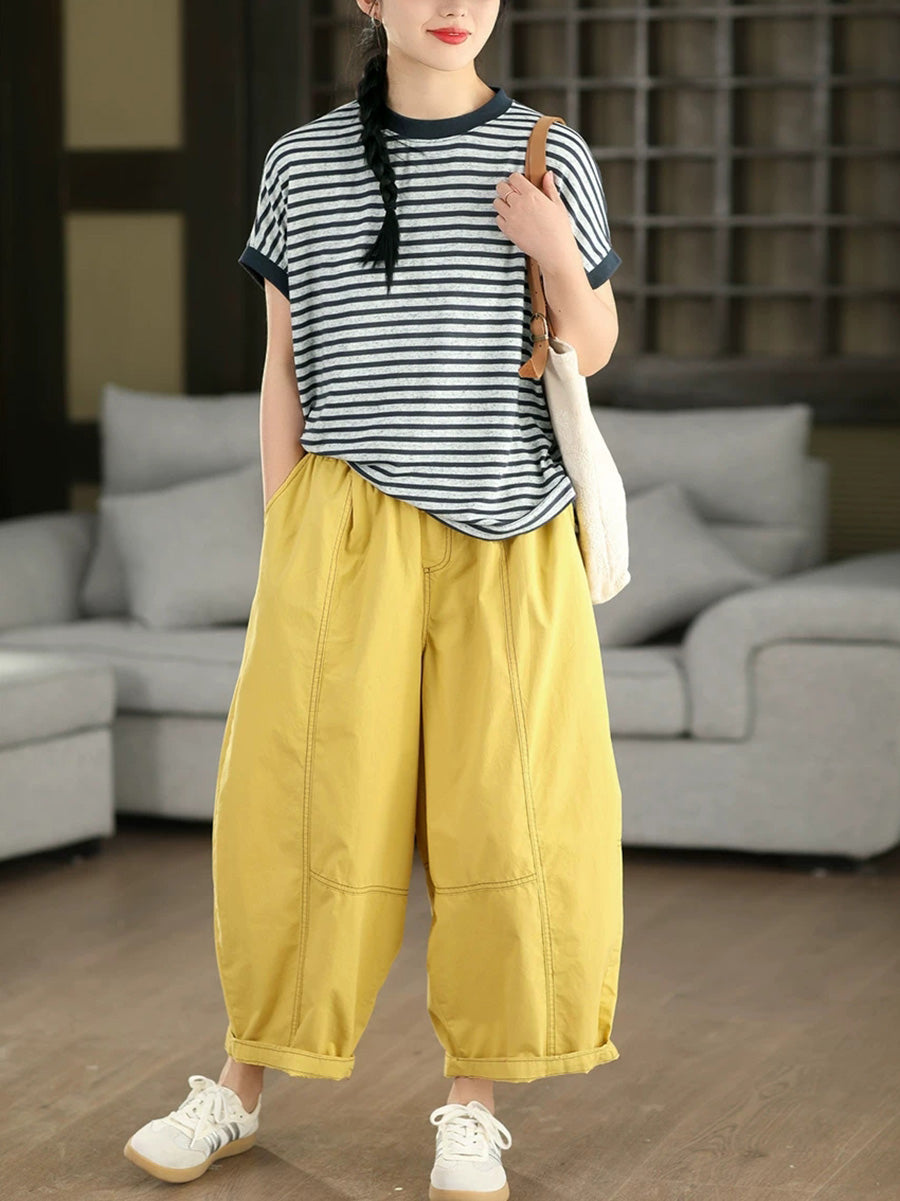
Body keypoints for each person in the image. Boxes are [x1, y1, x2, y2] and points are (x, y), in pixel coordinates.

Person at [124, 1, 624, 1197]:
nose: (453, 7)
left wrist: (553, 247)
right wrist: (285, 534)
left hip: (511, 530)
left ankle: (472, 1108)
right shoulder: (300, 164)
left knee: (509, 816)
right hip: (341, 528)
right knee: (303, 808)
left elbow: (594, 343)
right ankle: (240, 1086)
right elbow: (282, 366)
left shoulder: (551, 153)